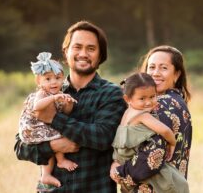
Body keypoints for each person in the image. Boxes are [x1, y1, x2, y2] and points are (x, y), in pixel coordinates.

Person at [14, 21, 127, 193]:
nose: (83, 53)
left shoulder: (111, 94)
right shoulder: (47, 93)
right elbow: (20, 147)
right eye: (77, 47)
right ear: (66, 52)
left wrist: (53, 118)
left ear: (100, 55)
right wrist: (53, 147)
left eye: (91, 48)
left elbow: (103, 137)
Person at [111, 45, 192, 191]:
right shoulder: (178, 102)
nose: (156, 73)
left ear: (177, 74)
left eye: (163, 68)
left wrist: (119, 172)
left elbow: (152, 156)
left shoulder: (160, 105)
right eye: (152, 67)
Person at [19, 52, 78, 192]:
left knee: (55, 134)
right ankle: (61, 161)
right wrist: (54, 98)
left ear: (62, 78)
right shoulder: (42, 94)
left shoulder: (58, 94)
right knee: (58, 135)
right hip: (33, 128)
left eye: (57, 78)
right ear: (39, 81)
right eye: (48, 79)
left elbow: (66, 112)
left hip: (42, 126)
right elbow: (37, 106)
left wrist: (68, 103)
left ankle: (46, 174)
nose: (53, 82)